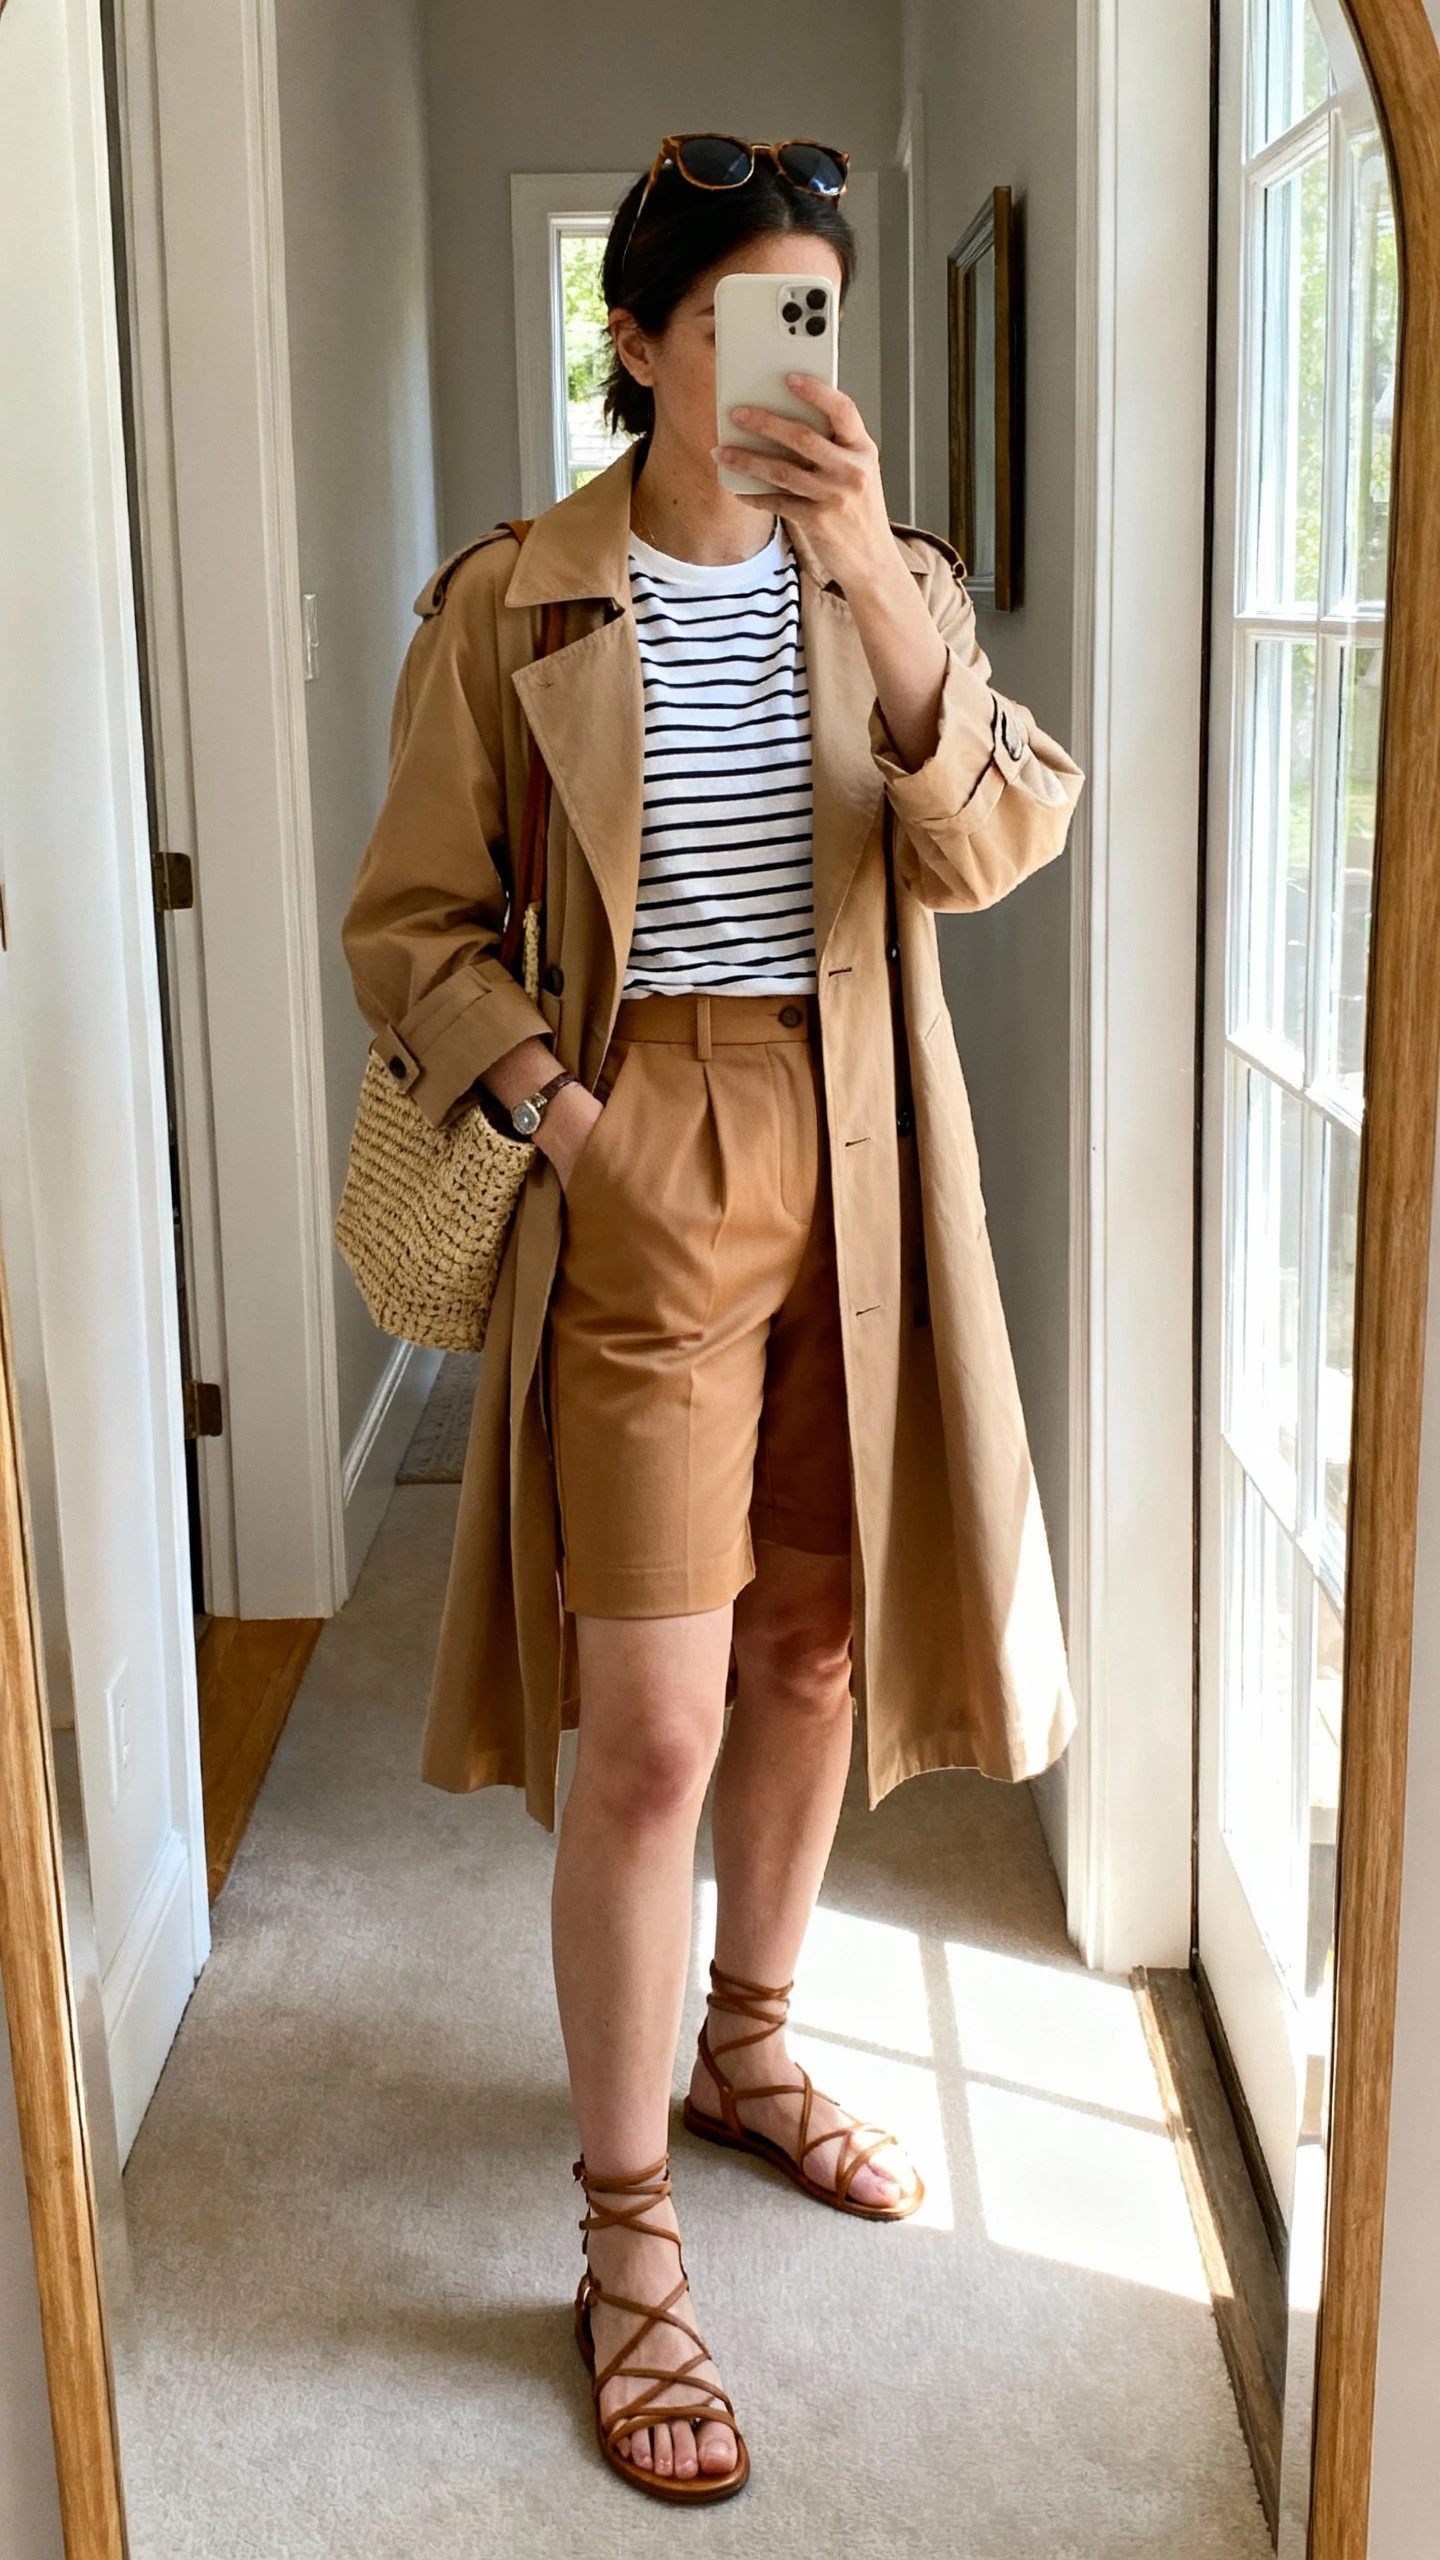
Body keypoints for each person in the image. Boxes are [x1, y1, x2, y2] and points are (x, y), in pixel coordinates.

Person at [342, 133, 1084, 2506]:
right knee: (650, 1723)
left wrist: (873, 581)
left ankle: (751, 2047)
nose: (793, 366)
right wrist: (573, 1119)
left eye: (819, 321)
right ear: (641, 344)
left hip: (862, 1141)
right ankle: (625, 2219)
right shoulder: (513, 609)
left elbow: (991, 841)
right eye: (748, 320)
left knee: (812, 1657)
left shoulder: (898, 582)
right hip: (643, 1156)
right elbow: (411, 928)